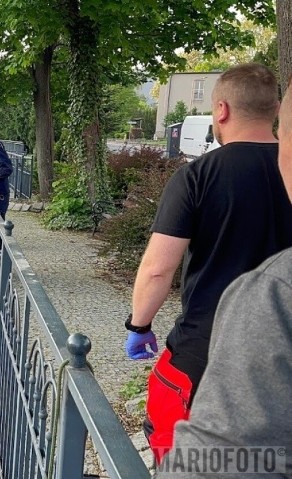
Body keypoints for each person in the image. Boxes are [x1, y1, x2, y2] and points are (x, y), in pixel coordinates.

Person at [124, 63, 292, 464]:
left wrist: (139, 324)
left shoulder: (198, 175)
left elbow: (158, 268)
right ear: (273, 109)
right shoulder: (285, 167)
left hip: (206, 352)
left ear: (221, 110)